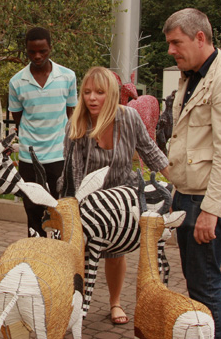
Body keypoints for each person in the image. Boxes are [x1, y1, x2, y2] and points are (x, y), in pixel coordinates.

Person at [58, 66, 169, 324]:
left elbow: (151, 153)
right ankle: (73, 305)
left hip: (120, 196)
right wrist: (72, 211)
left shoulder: (129, 118)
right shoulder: (77, 125)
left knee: (116, 254)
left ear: (112, 94)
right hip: (86, 198)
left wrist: (178, 181)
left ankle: (115, 302)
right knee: (80, 252)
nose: (92, 98)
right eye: (87, 92)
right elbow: (72, 173)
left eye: (99, 92)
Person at [163, 8, 221, 338]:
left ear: (200, 38)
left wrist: (210, 210)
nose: (171, 51)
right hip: (187, 198)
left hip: (205, 204)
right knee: (196, 282)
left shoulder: (218, 78)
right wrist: (177, 196)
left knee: (205, 289)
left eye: (176, 43)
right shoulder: (191, 76)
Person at [8, 27, 77, 237]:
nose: (37, 56)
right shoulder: (16, 82)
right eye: (32, 52)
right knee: (33, 211)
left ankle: (60, 258)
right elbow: (18, 117)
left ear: (50, 49)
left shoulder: (68, 77)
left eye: (43, 51)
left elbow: (70, 113)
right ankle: (36, 260)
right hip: (30, 158)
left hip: (59, 155)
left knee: (60, 210)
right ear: (26, 51)